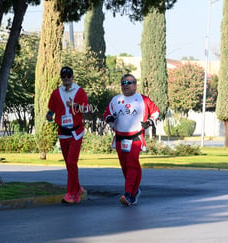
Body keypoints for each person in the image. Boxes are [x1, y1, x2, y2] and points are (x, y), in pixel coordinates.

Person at [103, 74, 160, 206]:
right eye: (123, 82)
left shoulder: (142, 99)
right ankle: (134, 193)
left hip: (135, 137)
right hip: (120, 138)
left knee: (132, 164)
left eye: (129, 82)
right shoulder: (115, 100)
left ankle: (128, 194)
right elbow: (107, 114)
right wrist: (109, 118)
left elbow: (156, 111)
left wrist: (150, 121)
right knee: (125, 166)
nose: (125, 85)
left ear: (135, 85)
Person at [46, 66, 89, 204]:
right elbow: (51, 109)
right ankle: (78, 188)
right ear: (61, 78)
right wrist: (49, 115)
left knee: (71, 162)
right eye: (63, 77)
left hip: (76, 133)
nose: (66, 79)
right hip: (62, 132)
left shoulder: (79, 91)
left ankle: (71, 194)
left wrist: (75, 105)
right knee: (68, 164)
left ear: (72, 77)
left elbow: (87, 109)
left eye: (68, 76)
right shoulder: (56, 93)